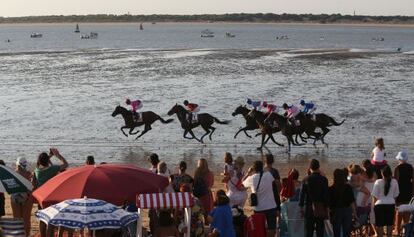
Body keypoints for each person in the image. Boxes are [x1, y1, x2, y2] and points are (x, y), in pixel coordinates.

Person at [33, 149, 68, 237]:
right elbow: (66, 164)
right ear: (47, 161)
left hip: (40, 197)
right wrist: (58, 155)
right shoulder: (52, 169)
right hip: (50, 197)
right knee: (51, 221)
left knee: (42, 219)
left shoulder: (37, 170)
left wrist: (50, 155)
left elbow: (41, 162)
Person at [243, 160, 277, 237]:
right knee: (271, 228)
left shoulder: (251, 178)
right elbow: (273, 181)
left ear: (254, 169)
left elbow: (242, 184)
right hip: (271, 206)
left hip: (258, 208)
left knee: (259, 229)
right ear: (262, 167)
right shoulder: (268, 175)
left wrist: (248, 173)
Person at [299, 159, 329, 237]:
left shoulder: (305, 180)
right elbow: (326, 195)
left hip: (308, 207)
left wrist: (301, 207)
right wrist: (326, 208)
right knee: (320, 231)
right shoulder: (324, 179)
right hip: (320, 208)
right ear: (319, 167)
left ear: (310, 168)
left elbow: (302, 195)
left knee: (308, 231)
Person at [371, 165, 399, 237]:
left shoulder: (378, 182)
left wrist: (373, 207)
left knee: (379, 226)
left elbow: (374, 196)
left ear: (382, 173)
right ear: (391, 173)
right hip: (391, 204)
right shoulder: (394, 181)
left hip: (379, 205)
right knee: (389, 225)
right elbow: (396, 195)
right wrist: (394, 204)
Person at [329, 169, 357, 237]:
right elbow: (352, 202)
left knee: (336, 232)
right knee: (346, 232)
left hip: (335, 211)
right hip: (347, 211)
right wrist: (355, 213)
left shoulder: (331, 188)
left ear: (334, 177)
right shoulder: (348, 187)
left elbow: (329, 203)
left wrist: (328, 214)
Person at [11, 157, 34, 235]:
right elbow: (31, 186)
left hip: (15, 196)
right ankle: (26, 235)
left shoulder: (13, 173)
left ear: (18, 164)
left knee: (17, 219)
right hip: (27, 196)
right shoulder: (28, 173)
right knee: (26, 219)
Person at [394, 151, 413, 236]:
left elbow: (396, 181)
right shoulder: (410, 167)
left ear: (399, 158)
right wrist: (413, 191)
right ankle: (406, 228)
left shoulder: (397, 168)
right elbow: (413, 180)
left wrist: (395, 193)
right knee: (407, 210)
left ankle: (397, 230)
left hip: (400, 190)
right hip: (408, 189)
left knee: (399, 210)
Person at [263, 154, 282, 232]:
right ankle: (277, 232)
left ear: (265, 161)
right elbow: (278, 184)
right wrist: (280, 193)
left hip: (264, 196)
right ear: (273, 161)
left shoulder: (262, 171)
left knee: (265, 216)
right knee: (278, 214)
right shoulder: (274, 171)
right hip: (274, 196)